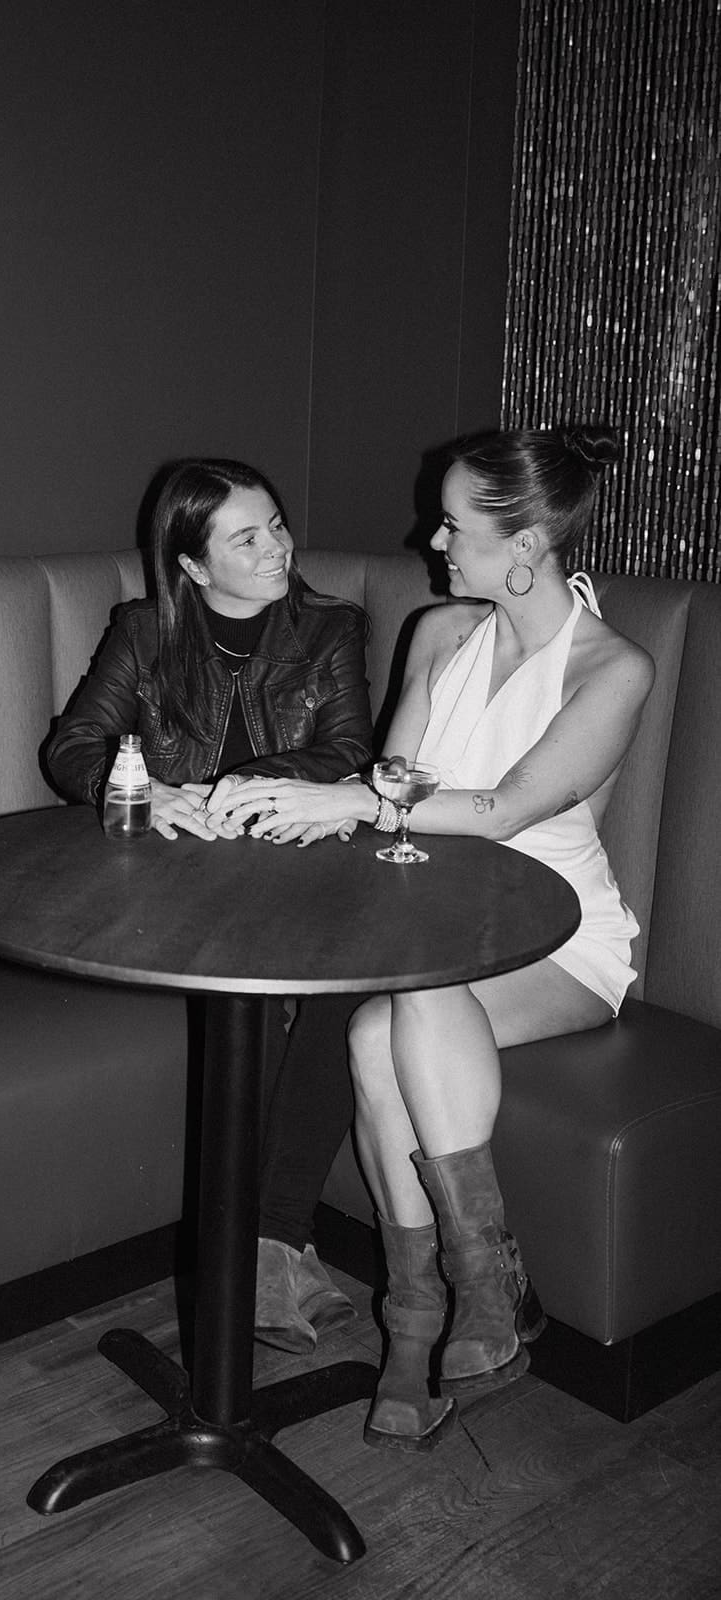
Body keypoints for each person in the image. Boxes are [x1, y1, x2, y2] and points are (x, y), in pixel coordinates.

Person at [214, 426, 654, 1452]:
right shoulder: (440, 632)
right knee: (377, 1031)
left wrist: (349, 802)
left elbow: (503, 808)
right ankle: (445, 1309)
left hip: (557, 938)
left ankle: (451, 1311)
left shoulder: (613, 668)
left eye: (454, 524)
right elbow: (394, 787)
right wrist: (313, 807)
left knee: (401, 1005)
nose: (434, 539)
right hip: (435, 929)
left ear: (525, 544)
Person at [46, 457, 375, 1353]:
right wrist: (144, 790)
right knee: (257, 990)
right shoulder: (143, 630)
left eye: (277, 524)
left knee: (343, 987)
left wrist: (244, 785)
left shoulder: (330, 627)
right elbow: (74, 747)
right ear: (191, 565)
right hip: (179, 881)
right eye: (246, 538)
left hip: (297, 864)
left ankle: (269, 1241)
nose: (277, 548)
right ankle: (272, 1247)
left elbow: (348, 749)